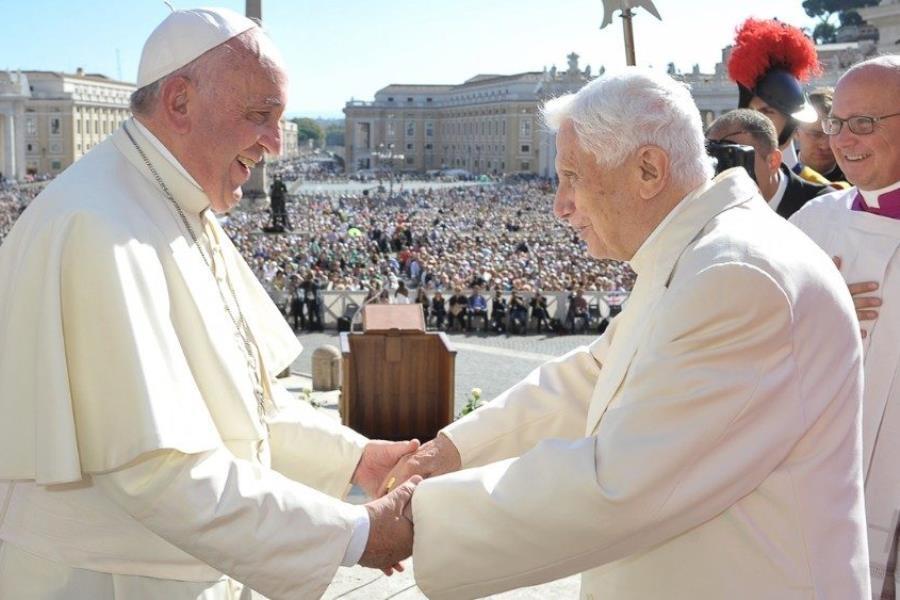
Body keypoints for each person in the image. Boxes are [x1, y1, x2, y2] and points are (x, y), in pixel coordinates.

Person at [384, 69, 869, 598]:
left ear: (648, 169)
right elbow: (596, 376)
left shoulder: (736, 274)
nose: (560, 205)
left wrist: (418, 520)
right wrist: (450, 452)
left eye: (572, 176)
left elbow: (622, 483)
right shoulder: (700, 252)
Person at [0, 8, 420, 599]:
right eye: (259, 115)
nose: (274, 144)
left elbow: (241, 407)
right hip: (105, 579)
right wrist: (353, 533)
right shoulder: (97, 225)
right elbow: (154, 464)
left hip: (190, 562)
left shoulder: (177, 204)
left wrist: (356, 460)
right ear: (179, 102)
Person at [789, 55, 900, 599]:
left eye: (865, 123)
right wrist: (816, 322)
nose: (843, 140)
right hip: (820, 479)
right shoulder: (809, 224)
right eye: (837, 123)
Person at [726, 18, 832, 184]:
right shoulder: (727, 182)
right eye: (750, 113)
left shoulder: (825, 192)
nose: (756, 122)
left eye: (767, 112)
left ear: (791, 123)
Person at [706, 109, 831, 218]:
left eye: (737, 159)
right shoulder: (712, 209)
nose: (726, 175)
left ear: (773, 161)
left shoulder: (823, 208)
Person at [795, 88, 849, 186]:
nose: (825, 145)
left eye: (834, 133)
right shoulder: (776, 174)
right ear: (796, 132)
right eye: (815, 134)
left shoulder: (857, 179)